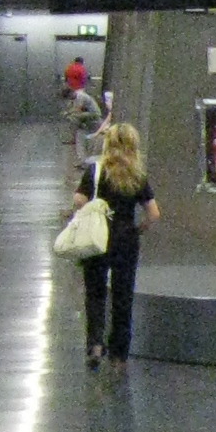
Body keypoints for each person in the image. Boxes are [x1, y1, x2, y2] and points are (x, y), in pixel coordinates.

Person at [76, 122, 159, 369]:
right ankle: (119, 354)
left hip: (97, 237)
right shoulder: (137, 176)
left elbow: (78, 201)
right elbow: (153, 213)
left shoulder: (95, 171)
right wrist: (137, 229)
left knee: (96, 292)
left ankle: (95, 344)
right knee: (123, 295)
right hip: (126, 238)